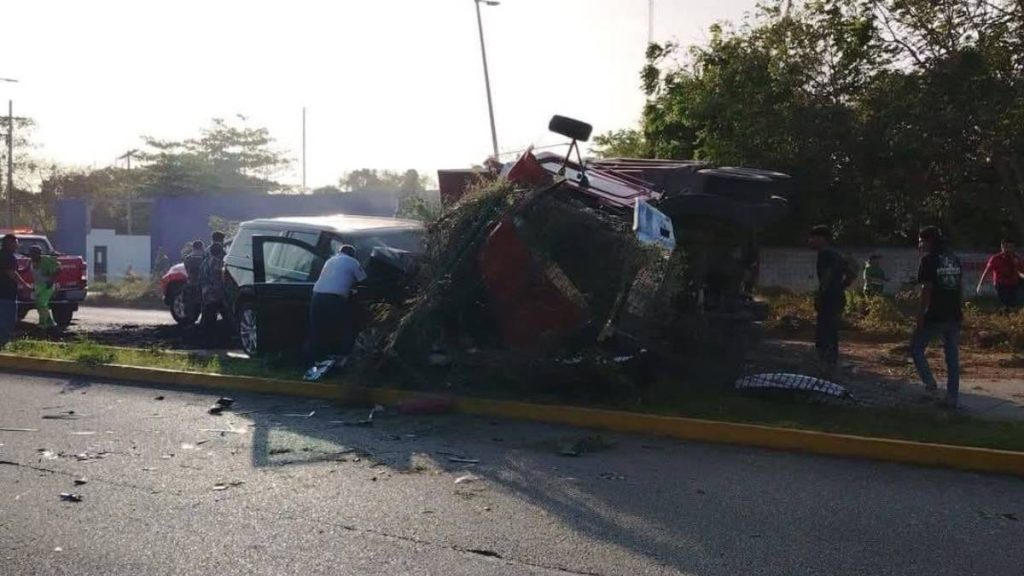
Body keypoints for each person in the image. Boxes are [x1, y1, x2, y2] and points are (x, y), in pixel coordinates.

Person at [911, 226, 963, 409]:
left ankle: (930, 385)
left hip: (935, 315)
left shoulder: (928, 260)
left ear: (928, 241)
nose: (919, 244)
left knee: (916, 348)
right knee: (952, 358)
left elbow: (926, 289)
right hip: (954, 314)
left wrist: (920, 314)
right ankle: (952, 397)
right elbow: (959, 287)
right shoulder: (953, 258)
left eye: (920, 240)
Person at [807, 225, 855, 376]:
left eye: (812, 238)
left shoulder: (825, 253)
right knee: (832, 332)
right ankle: (831, 365)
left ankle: (824, 368)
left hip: (828, 298)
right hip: (838, 297)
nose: (810, 241)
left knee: (823, 333)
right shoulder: (837, 255)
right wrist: (841, 287)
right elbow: (853, 272)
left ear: (822, 238)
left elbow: (826, 276)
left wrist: (821, 293)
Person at [306, 244, 367, 362]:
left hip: (316, 296)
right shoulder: (352, 262)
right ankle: (338, 357)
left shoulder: (330, 260)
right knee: (340, 327)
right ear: (353, 254)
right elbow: (364, 280)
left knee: (317, 328)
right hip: (334, 298)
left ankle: (313, 359)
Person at [0, 235, 32, 347]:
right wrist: (25, 285)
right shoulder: (8, 257)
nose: (17, 245)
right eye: (16, 242)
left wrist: (27, 266)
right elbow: (11, 273)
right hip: (6, 295)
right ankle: (2, 343)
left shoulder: (4, 256)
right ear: (10, 243)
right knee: (6, 321)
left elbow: (14, 271)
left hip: (4, 294)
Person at [976, 239, 1023, 312]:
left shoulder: (1016, 258)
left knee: (1013, 303)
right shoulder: (995, 258)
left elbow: (1020, 271)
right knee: (1005, 301)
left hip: (1013, 284)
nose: (1009, 249)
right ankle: (1004, 314)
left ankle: (1008, 316)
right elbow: (987, 271)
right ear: (1002, 247)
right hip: (1001, 284)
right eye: (1007, 247)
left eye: (1011, 247)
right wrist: (980, 285)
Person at [199, 243, 226, 345]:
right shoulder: (217, 263)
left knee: (207, 315)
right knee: (212, 317)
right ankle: (212, 340)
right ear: (219, 252)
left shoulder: (205, 262)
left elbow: (200, 278)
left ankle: (204, 338)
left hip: (205, 292)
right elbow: (218, 280)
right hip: (214, 293)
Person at [28, 245, 59, 330]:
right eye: (31, 254)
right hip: (38, 285)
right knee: (39, 305)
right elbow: (26, 269)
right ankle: (51, 323)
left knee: (42, 304)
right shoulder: (31, 261)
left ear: (40, 254)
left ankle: (42, 324)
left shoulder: (46, 260)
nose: (33, 256)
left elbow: (59, 268)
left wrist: (51, 280)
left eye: (35, 254)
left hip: (47, 285)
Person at [183, 240, 206, 314]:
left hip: (191, 283)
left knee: (191, 304)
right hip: (202, 284)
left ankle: (190, 322)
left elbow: (186, 269)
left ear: (193, 247)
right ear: (202, 247)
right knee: (204, 305)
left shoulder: (188, 257)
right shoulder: (205, 257)